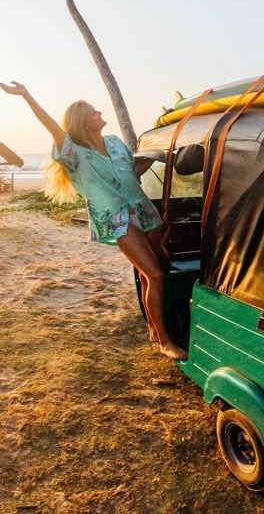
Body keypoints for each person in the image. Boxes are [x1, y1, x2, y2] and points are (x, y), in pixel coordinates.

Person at [0, 81, 187, 361]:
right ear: (82, 121)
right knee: (155, 274)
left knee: (156, 271)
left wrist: (161, 158)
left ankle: (154, 329)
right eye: (92, 111)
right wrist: (27, 95)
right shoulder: (74, 152)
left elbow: (132, 170)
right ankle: (163, 340)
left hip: (144, 210)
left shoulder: (114, 142)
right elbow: (51, 125)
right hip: (116, 218)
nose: (99, 111)